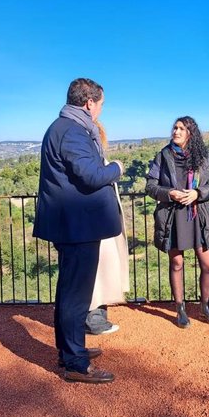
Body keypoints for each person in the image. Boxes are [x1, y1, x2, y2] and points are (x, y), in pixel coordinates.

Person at [33, 78, 124, 384]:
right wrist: (117, 169)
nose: (100, 110)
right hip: (78, 227)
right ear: (89, 103)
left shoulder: (63, 127)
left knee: (69, 291)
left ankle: (69, 350)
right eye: (100, 104)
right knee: (76, 296)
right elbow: (91, 174)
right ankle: (75, 362)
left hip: (73, 225)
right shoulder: (73, 131)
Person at [145, 116, 209, 328]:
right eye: (174, 128)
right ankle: (180, 309)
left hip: (199, 216)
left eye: (181, 129)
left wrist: (198, 193)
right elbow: (150, 186)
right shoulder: (164, 155)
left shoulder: (205, 157)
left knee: (208, 266)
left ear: (190, 133)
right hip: (173, 216)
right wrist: (171, 193)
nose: (176, 131)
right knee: (177, 263)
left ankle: (205, 307)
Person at [85, 121, 130, 336]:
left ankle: (97, 316)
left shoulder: (93, 157)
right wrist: (117, 168)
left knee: (102, 268)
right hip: (98, 223)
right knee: (99, 269)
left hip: (102, 221)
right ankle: (94, 318)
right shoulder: (94, 160)